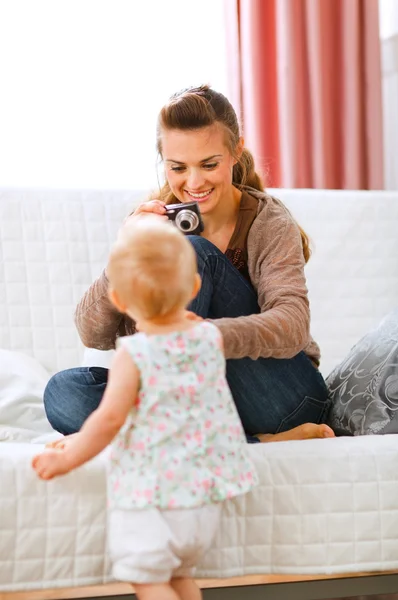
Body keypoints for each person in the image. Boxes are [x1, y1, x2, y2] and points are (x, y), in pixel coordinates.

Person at [44, 84, 334, 444]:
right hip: (200, 403)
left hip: (280, 395)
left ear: (235, 152)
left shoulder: (267, 222)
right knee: (63, 392)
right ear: (163, 162)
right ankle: (245, 441)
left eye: (209, 165)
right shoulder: (153, 220)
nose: (194, 182)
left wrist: (204, 338)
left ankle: (153, 427)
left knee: (194, 252)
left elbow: (292, 324)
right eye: (178, 167)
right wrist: (123, 251)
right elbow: (93, 334)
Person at [33, 218, 258, 600]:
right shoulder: (209, 337)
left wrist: (69, 457)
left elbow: (108, 420)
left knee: (149, 580)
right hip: (203, 496)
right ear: (195, 288)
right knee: (181, 578)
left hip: (157, 497)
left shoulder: (134, 355)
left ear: (119, 301)